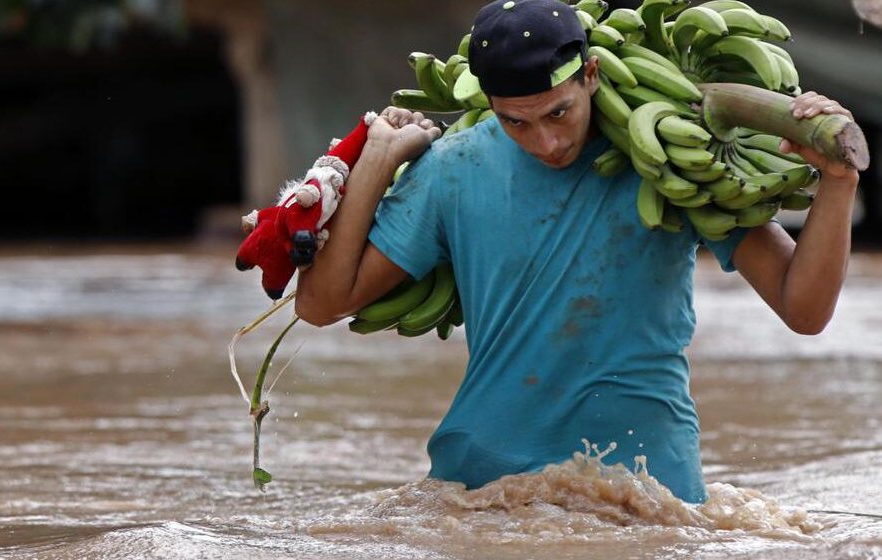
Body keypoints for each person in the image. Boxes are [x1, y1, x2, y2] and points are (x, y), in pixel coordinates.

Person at [293, 0, 860, 503]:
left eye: (558, 112)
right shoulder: (451, 169)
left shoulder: (671, 155)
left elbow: (804, 310)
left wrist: (838, 181)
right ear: (489, 102)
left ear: (590, 74)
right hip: (483, 486)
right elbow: (321, 303)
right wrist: (379, 159)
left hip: (650, 488)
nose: (548, 142)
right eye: (517, 122)